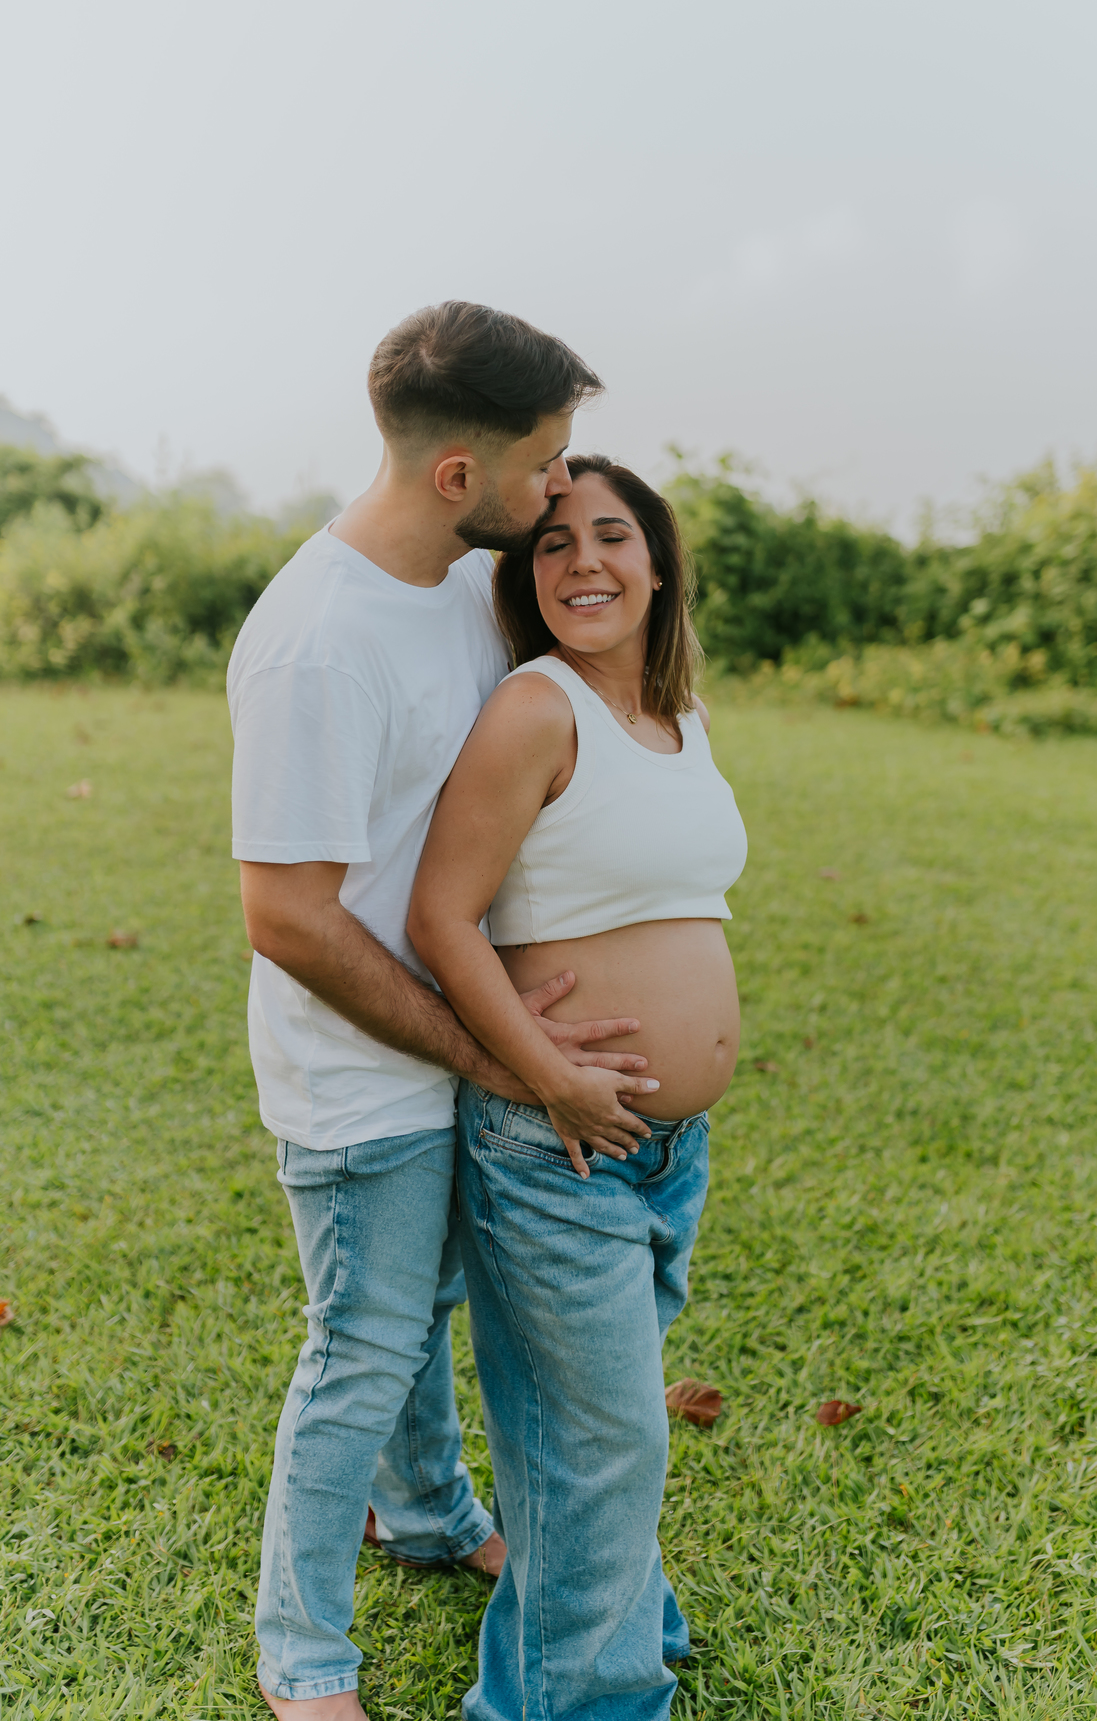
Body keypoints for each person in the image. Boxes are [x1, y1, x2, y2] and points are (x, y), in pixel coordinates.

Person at [227, 308, 661, 1721]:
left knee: (427, 1312)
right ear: (460, 476)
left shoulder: (459, 592)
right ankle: (301, 1657)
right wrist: (502, 1056)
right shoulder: (318, 641)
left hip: (457, 1046)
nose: (560, 496)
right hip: (359, 1081)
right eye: (544, 469)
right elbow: (289, 916)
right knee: (361, 1347)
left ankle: (423, 1516)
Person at [408, 455, 749, 1720]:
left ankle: (617, 1611)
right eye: (552, 544)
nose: (584, 563)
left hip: (665, 1147)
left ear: (659, 563)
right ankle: (583, 1700)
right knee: (604, 1437)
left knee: (590, 1435)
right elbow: (442, 917)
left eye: (612, 536)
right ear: (524, 574)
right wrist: (546, 1073)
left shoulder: (679, 715)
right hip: (555, 1140)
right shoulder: (535, 709)